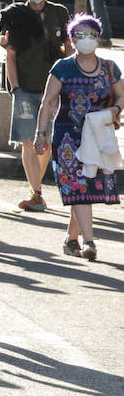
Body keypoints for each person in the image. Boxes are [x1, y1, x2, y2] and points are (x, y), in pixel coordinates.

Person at [35, 13, 124, 262]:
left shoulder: (109, 67)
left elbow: (121, 95)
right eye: (80, 34)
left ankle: (71, 239)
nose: (86, 39)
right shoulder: (62, 67)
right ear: (72, 39)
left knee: (84, 189)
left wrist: (115, 110)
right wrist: (40, 134)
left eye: (92, 34)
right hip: (67, 138)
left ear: (98, 38)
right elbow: (48, 102)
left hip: (97, 136)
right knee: (77, 186)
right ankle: (89, 241)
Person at [3, 0, 70, 214]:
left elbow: (68, 46)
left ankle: (36, 187)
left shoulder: (59, 13)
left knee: (47, 142)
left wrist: (69, 77)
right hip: (25, 88)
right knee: (27, 142)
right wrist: (15, 87)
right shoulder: (15, 14)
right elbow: (10, 55)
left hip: (52, 90)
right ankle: (37, 192)